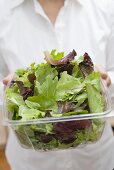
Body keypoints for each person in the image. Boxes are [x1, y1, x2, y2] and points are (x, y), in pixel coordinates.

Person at [0, 0, 114, 170]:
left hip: (95, 160)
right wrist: (9, 89)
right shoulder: (3, 10)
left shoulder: (105, 6)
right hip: (30, 162)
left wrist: (106, 80)